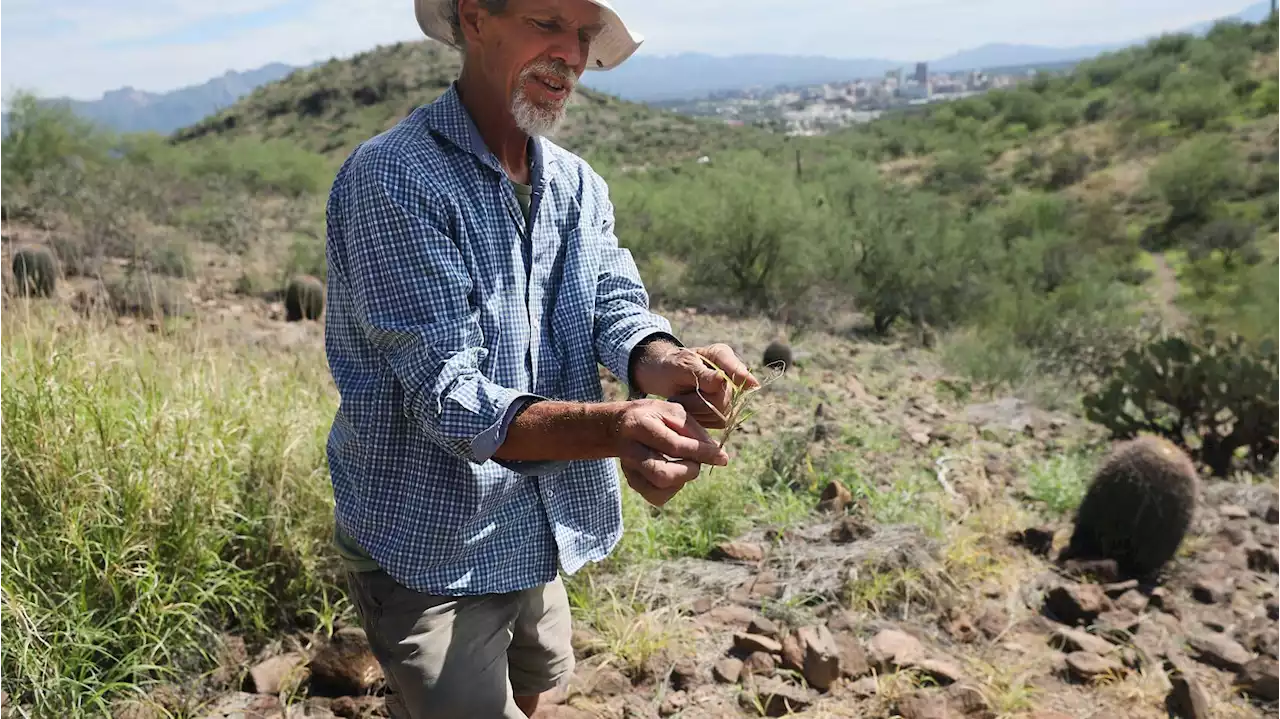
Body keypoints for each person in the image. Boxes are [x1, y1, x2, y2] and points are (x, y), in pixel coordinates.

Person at [321, 0, 760, 716]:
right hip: (431, 546)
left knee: (538, 692)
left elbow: (615, 304)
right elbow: (449, 395)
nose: (572, 54)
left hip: (538, 524)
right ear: (474, 18)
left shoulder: (576, 184)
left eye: (584, 35)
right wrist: (617, 428)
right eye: (547, 22)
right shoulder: (395, 180)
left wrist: (664, 361)